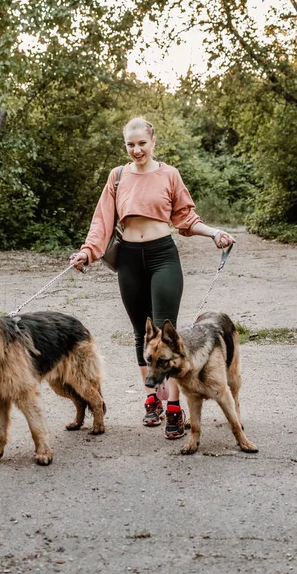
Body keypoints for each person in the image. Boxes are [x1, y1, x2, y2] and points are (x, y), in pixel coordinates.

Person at [70, 117, 235, 439]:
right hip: (129, 259)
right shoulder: (117, 177)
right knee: (140, 333)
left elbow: (186, 218)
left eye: (141, 143)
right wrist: (87, 252)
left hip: (163, 256)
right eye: (130, 145)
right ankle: (151, 399)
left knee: (167, 332)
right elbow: (102, 221)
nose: (136, 150)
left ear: (153, 142)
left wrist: (214, 233)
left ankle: (174, 406)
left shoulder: (169, 174)